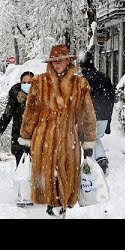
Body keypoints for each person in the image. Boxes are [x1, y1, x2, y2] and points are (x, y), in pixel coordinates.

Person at [19, 43, 97, 218]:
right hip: (44, 140)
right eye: (54, 61)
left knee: (66, 186)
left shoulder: (80, 84)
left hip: (69, 141)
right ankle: (52, 210)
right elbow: (31, 112)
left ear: (68, 60)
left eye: (60, 60)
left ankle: (61, 211)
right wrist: (26, 137)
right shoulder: (39, 82)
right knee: (48, 185)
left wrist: (88, 140)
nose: (57, 64)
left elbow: (86, 115)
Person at [79, 51, 115, 175]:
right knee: (95, 137)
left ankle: (94, 161)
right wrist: (108, 119)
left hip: (89, 116)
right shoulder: (104, 77)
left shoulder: (83, 81)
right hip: (104, 115)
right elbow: (111, 99)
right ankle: (100, 159)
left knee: (89, 139)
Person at [0, 71, 35, 167]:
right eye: (24, 82)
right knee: (21, 169)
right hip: (18, 138)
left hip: (35, 140)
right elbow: (6, 116)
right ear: (20, 83)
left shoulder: (40, 96)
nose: (27, 85)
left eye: (29, 82)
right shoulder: (15, 96)